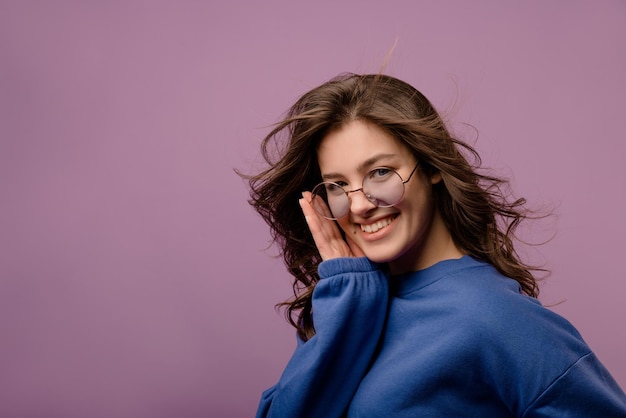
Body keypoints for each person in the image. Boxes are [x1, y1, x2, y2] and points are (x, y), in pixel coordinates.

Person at [244, 73, 626, 417]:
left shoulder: (496, 318)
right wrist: (348, 300)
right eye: (338, 185)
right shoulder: (344, 303)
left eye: (380, 173)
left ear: (432, 168)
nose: (358, 204)